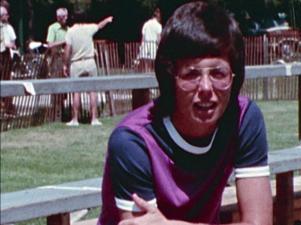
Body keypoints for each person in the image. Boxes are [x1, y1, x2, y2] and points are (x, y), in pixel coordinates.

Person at [99, 2, 273, 225]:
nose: (206, 89)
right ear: (170, 77)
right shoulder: (133, 141)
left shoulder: (243, 118)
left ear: (234, 75)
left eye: (218, 73)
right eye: (191, 75)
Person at [63, 15, 113, 126]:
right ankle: (94, 119)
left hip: (76, 63)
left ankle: (75, 119)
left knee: (76, 91)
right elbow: (100, 25)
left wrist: (65, 65)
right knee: (92, 91)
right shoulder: (88, 28)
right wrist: (107, 19)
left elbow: (67, 50)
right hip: (90, 61)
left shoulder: (70, 31)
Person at [0, 5, 17, 116]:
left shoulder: (9, 28)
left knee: (6, 79)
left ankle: (7, 106)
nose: (8, 16)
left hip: (6, 55)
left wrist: (9, 45)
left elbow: (13, 43)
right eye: (6, 15)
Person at [137, 7, 162, 72]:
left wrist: (141, 46)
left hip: (145, 45)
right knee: (153, 65)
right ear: (158, 17)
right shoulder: (158, 26)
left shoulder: (146, 24)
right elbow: (158, 38)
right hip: (153, 46)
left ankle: (146, 72)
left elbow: (143, 36)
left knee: (146, 65)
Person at [46, 7, 69, 77]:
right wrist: (64, 41)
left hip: (67, 58)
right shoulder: (53, 28)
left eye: (66, 16)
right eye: (64, 16)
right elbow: (50, 44)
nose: (66, 18)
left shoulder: (68, 29)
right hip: (57, 58)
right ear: (58, 17)